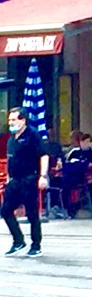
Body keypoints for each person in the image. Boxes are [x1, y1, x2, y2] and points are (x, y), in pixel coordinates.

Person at [2, 107, 49, 257]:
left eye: (14, 119)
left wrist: (43, 176)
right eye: (9, 120)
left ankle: (36, 245)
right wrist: (8, 178)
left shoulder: (32, 135)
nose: (11, 122)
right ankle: (18, 241)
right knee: (5, 210)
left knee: (32, 213)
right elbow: (10, 159)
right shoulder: (11, 138)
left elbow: (43, 155)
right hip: (14, 180)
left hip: (29, 178)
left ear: (23, 120)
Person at [62, 131, 92, 218]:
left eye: (87, 142)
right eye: (83, 141)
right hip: (73, 174)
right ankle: (68, 208)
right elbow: (66, 162)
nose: (85, 143)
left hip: (89, 175)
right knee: (63, 183)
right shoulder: (75, 152)